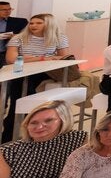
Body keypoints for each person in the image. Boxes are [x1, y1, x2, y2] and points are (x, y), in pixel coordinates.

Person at [2, 14, 72, 142]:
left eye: (39, 23)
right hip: (21, 74)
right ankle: (8, 140)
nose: (33, 25)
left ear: (49, 24)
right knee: (17, 105)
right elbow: (11, 59)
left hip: (47, 74)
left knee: (33, 103)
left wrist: (26, 57)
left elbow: (63, 58)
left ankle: (37, 133)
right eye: (32, 23)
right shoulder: (19, 38)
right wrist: (43, 58)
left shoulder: (59, 38)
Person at [0, 2, 28, 66]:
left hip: (9, 54)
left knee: (14, 74)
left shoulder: (21, 22)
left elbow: (30, 35)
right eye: (4, 10)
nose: (7, 11)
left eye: (9, 9)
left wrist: (16, 36)